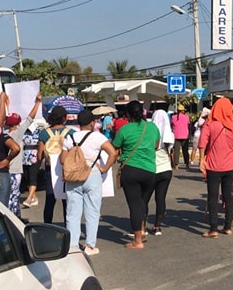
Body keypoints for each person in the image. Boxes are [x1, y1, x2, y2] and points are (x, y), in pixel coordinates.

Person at [61, 109, 119, 255]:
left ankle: (73, 246)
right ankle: (90, 245)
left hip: (73, 177)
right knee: (92, 211)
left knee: (72, 212)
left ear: (78, 123)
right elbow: (113, 153)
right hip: (92, 175)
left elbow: (62, 160)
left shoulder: (71, 138)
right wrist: (105, 168)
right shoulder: (98, 137)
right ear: (92, 122)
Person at [198, 97, 233, 238]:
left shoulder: (210, 124)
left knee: (213, 197)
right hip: (230, 166)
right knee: (228, 196)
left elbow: (202, 143)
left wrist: (202, 160)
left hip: (214, 166)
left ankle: (213, 229)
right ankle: (227, 226)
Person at [112, 100, 160, 249]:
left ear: (127, 114)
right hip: (150, 170)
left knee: (134, 205)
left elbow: (115, 147)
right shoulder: (152, 127)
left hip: (131, 170)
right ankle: (143, 230)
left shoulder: (124, 130)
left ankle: (138, 240)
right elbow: (156, 146)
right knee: (142, 202)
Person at [2, 94, 42, 216]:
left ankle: (16, 216)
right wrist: (37, 103)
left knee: (7, 194)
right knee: (13, 196)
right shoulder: (18, 133)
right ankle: (12, 218)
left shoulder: (4, 133)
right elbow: (30, 118)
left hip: (5, 170)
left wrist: (7, 104)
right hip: (14, 170)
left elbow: (6, 119)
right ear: (18, 123)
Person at [37, 106, 70, 224]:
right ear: (64, 118)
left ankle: (47, 226)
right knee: (67, 201)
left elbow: (39, 156)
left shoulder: (44, 134)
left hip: (50, 170)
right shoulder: (71, 132)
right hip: (67, 169)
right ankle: (69, 228)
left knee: (50, 200)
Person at [149, 109, 175, 235]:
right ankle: (157, 226)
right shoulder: (169, 134)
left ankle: (141, 225)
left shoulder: (150, 132)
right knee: (161, 198)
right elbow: (171, 150)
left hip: (152, 169)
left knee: (145, 198)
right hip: (166, 169)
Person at [171, 104, 191, 169]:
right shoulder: (186, 117)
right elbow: (188, 124)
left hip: (176, 135)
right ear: (182, 111)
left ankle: (176, 165)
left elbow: (171, 124)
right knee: (185, 150)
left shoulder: (173, 117)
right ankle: (187, 164)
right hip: (185, 136)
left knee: (176, 151)